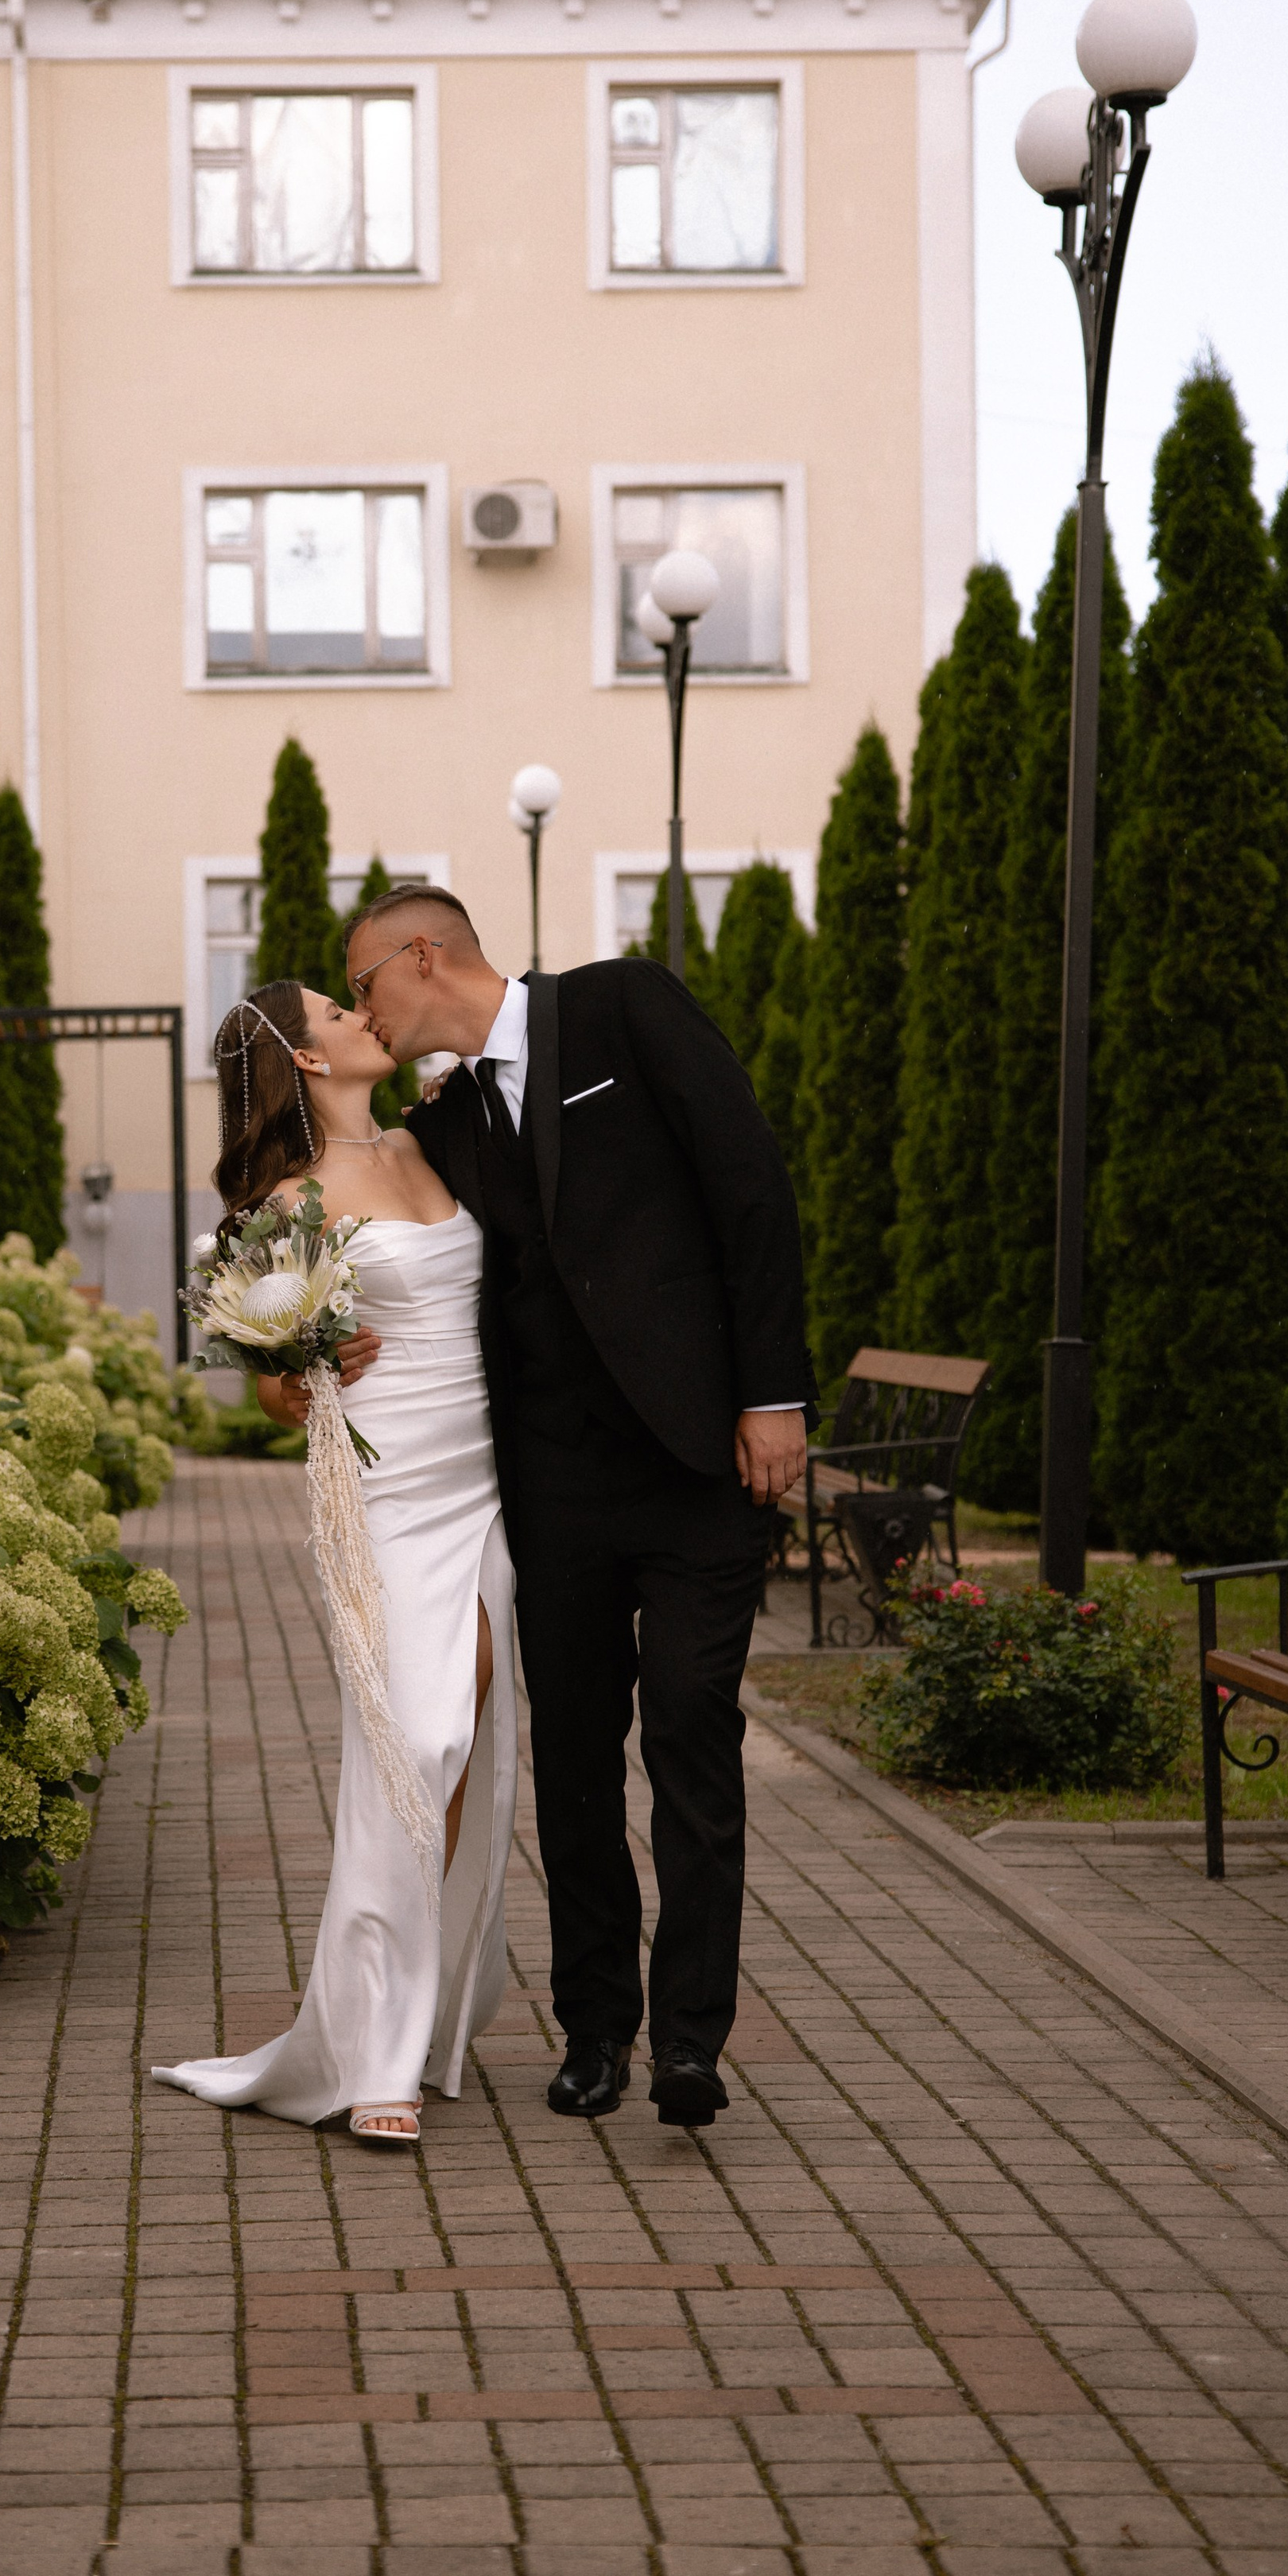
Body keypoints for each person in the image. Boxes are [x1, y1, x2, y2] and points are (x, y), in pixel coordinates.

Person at [342, 886, 813, 2130]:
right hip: (552, 1489)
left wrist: (773, 1394)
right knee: (575, 1765)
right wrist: (317, 1348)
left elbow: (750, 1189)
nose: (364, 1014)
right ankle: (598, 2026)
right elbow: (403, 1257)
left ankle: (693, 2041)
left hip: (698, 1461)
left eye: (366, 986)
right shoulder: (438, 1123)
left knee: (694, 1735)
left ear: (424, 955)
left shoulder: (623, 1007)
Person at [150, 980, 518, 2149]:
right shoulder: (280, 1205)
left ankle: (418, 2009)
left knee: (462, 1744)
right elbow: (266, 1392)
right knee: (416, 1739)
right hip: (389, 1493)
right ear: (306, 1061)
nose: (365, 1014)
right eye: (337, 1010)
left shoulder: (438, 1136)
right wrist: (313, 1359)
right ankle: (370, 2046)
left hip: (496, 1480)